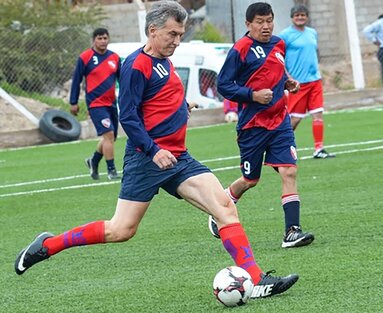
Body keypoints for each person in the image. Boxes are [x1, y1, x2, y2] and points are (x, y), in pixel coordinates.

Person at [14, 1, 298, 300]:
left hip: (179, 158)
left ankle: (255, 280)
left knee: (225, 208)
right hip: (146, 160)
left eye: (180, 35)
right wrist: (152, 151)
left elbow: (158, 100)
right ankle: (48, 245)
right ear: (153, 30)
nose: (177, 41)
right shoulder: (136, 65)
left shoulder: (165, 59)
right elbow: (128, 117)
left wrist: (181, 107)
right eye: (172, 34)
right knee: (121, 230)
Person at [209, 2, 315, 249]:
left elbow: (277, 69)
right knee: (250, 179)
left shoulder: (279, 43)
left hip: (279, 122)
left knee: (289, 171)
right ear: (248, 24)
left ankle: (292, 231)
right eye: (260, 22)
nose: (265, 26)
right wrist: (253, 95)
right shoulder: (240, 49)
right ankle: (220, 205)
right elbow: (223, 85)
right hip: (252, 126)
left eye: (269, 21)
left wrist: (288, 81)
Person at [279, 4, 335, 159]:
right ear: (292, 17)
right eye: (297, 15)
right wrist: (288, 77)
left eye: (303, 15)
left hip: (315, 81)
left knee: (318, 115)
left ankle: (319, 149)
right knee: (295, 119)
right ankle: (281, 147)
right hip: (299, 84)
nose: (300, 17)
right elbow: (279, 58)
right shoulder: (285, 35)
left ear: (307, 17)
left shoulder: (312, 33)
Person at [69, 28, 121, 180]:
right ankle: (111, 171)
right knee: (109, 135)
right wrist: (73, 102)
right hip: (96, 104)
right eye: (100, 38)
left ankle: (93, 160)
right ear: (94, 40)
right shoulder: (85, 57)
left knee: (110, 138)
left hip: (111, 103)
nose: (103, 41)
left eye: (105, 38)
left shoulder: (114, 58)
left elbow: (122, 80)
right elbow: (76, 80)